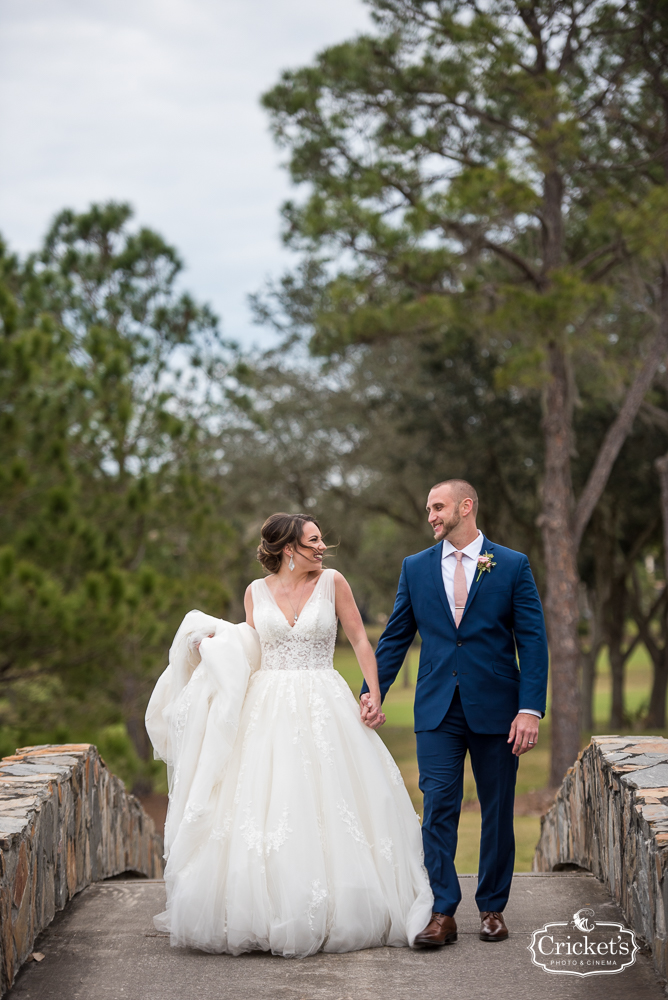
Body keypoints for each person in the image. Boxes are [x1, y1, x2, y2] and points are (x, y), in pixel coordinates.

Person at [145, 512, 432, 957]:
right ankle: (270, 909)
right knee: (267, 804)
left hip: (325, 699)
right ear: (287, 548)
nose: (323, 548)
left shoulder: (334, 582)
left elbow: (359, 640)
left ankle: (345, 903)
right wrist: (213, 650)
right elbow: (251, 648)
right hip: (268, 706)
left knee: (334, 801)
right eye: (314, 541)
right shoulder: (254, 592)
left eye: (321, 541)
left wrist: (372, 693)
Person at [361, 479, 548, 947]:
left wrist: (530, 709)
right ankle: (441, 911)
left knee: (497, 809)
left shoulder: (511, 564)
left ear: (466, 507)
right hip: (437, 709)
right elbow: (395, 638)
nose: (431, 516)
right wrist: (371, 691)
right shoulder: (415, 568)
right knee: (438, 807)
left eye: (438, 507)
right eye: (428, 509)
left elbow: (533, 641)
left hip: (500, 710)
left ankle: (492, 908)